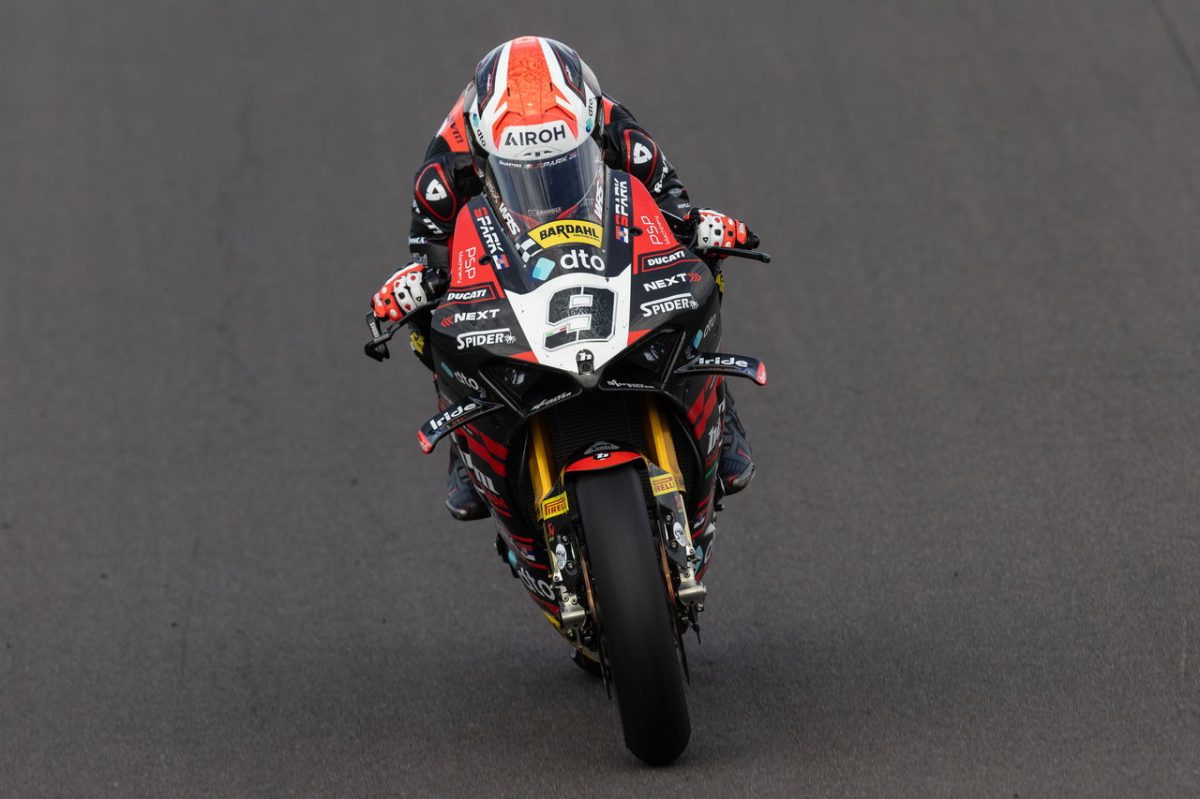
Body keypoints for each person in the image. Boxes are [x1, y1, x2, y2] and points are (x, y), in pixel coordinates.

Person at [368, 35, 757, 520]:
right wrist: (417, 289)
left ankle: (720, 407)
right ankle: (467, 447)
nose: (546, 183)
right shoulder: (443, 170)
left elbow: (671, 206)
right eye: (521, 170)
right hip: (505, 255)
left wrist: (701, 228)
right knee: (426, 322)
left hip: (601, 234)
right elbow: (432, 259)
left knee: (702, 264)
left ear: (591, 128)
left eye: (562, 166)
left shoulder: (621, 133)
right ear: (484, 152)